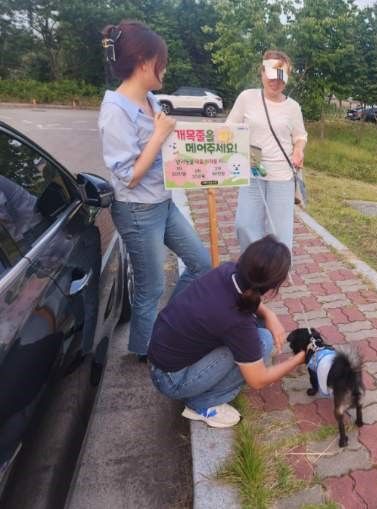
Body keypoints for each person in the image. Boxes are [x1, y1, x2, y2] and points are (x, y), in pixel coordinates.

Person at [98, 21, 211, 360]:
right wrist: (160, 136)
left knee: (201, 264)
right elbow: (128, 176)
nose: (165, 67)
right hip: (137, 209)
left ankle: (167, 325)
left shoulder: (149, 99)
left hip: (163, 201)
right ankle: (146, 350)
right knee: (151, 287)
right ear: (145, 61)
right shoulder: (115, 111)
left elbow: (165, 148)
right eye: (162, 60)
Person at [147, 235, 306, 427]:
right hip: (171, 380)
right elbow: (258, 380)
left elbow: (248, 301)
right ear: (272, 288)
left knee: (259, 330)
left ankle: (204, 388)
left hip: (161, 354)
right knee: (263, 341)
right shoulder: (238, 322)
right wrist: (299, 359)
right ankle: (202, 403)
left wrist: (269, 314)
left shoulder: (227, 271)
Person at [226, 50, 307, 253]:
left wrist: (298, 150)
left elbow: (300, 136)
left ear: (286, 78)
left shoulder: (293, 107)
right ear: (262, 73)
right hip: (252, 172)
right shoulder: (247, 98)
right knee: (244, 225)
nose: (275, 82)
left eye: (280, 78)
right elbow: (229, 128)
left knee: (279, 231)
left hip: (282, 175)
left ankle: (277, 272)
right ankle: (255, 266)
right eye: (271, 75)